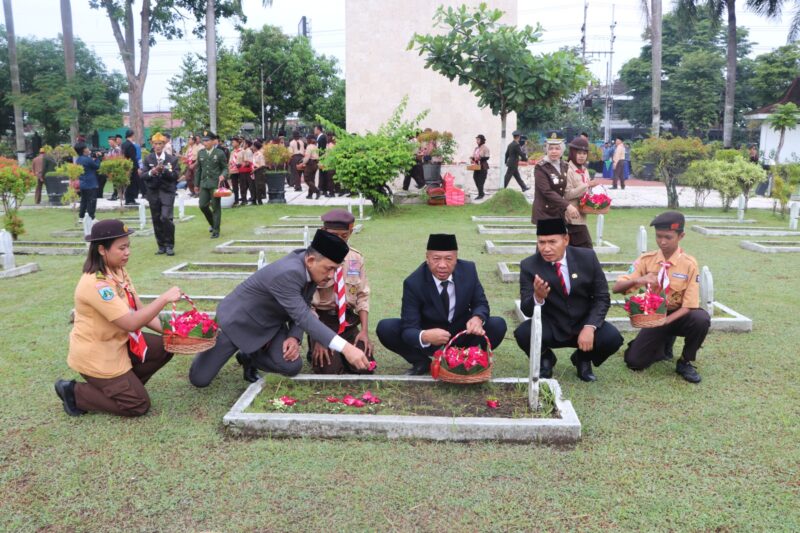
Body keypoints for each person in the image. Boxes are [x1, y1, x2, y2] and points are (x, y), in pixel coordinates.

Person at [189, 229, 370, 387]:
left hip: (270, 324)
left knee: (291, 366)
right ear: (311, 260)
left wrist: (294, 336)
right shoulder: (289, 272)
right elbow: (303, 316)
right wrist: (346, 348)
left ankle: (248, 356)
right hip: (238, 323)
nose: (331, 276)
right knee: (200, 379)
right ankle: (234, 348)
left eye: (335, 270)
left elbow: (304, 304)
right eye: (329, 269)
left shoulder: (313, 268)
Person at [53, 220, 182, 417]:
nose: (127, 252)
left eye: (128, 246)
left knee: (165, 346)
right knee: (138, 405)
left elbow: (140, 312)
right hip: (99, 355)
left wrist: (175, 334)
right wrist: (163, 299)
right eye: (121, 248)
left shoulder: (117, 270)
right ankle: (74, 392)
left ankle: (124, 387)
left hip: (118, 343)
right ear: (102, 249)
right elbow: (131, 323)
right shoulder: (96, 284)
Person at [376, 234, 508, 375]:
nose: (442, 265)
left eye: (448, 259)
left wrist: (477, 318)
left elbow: (480, 303)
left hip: (463, 333)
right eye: (436, 259)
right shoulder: (413, 283)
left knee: (497, 325)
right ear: (427, 258)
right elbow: (409, 327)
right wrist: (425, 336)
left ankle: (471, 360)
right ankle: (422, 362)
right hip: (431, 334)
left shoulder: (469, 270)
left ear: (456, 258)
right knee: (386, 328)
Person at [513, 218, 623, 382]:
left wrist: (590, 327)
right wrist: (538, 297)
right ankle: (545, 359)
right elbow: (527, 309)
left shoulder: (587, 257)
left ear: (566, 240)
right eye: (541, 242)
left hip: (583, 321)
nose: (546, 248)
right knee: (523, 333)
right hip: (552, 324)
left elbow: (602, 297)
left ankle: (583, 358)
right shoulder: (529, 265)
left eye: (552, 242)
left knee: (612, 338)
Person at [613, 211, 710, 383]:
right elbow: (616, 288)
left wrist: (665, 321)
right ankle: (659, 344)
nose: (662, 242)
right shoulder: (646, 259)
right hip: (654, 316)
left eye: (668, 237)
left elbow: (690, 305)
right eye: (658, 236)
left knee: (701, 318)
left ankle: (685, 362)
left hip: (679, 315)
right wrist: (639, 279)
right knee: (634, 362)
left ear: (681, 236)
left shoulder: (689, 264)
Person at [309, 209, 375, 374]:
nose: (338, 240)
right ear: (323, 231)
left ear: (350, 233)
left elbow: (362, 295)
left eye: (344, 236)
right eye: (333, 235)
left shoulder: (355, 258)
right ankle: (314, 348)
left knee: (365, 368)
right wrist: (319, 337)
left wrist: (364, 332)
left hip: (348, 323)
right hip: (323, 323)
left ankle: (344, 353)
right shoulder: (314, 259)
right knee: (331, 371)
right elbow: (307, 305)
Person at [140, 132, 180, 256]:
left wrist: (165, 171)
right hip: (153, 192)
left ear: (164, 144)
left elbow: (175, 176)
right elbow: (143, 175)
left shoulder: (172, 159)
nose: (157, 146)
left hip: (167, 192)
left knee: (166, 217)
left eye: (160, 144)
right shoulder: (148, 159)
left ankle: (169, 245)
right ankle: (161, 246)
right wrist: (152, 172)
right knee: (156, 219)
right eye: (155, 144)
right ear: (152, 144)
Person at [563, 136, 602, 248]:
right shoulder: (568, 170)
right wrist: (587, 185)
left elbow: (586, 191)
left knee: (573, 251)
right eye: (579, 153)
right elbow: (567, 194)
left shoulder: (585, 170)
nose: (582, 156)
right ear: (572, 153)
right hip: (571, 219)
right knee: (587, 249)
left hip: (582, 216)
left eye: (584, 153)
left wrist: (596, 199)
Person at [532, 132, 579, 225]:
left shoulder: (565, 165)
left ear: (562, 150)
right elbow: (546, 191)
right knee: (550, 235)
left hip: (559, 212)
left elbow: (568, 187)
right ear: (547, 150)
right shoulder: (540, 167)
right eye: (551, 148)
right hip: (545, 213)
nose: (554, 151)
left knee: (562, 235)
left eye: (557, 148)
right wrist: (567, 206)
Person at [196, 131, 228, 239]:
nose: (205, 143)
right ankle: (213, 224)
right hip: (204, 183)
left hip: (215, 184)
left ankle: (216, 230)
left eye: (207, 140)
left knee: (215, 207)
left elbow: (225, 168)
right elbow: (198, 170)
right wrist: (196, 184)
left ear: (213, 141)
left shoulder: (219, 153)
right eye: (204, 141)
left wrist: (223, 175)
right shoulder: (201, 153)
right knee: (202, 205)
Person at [75, 142, 100, 221]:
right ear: (84, 150)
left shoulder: (78, 159)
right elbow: (97, 166)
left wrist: (93, 158)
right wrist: (98, 158)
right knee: (92, 201)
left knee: (84, 201)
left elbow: (89, 165)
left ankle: (81, 217)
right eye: (86, 148)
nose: (88, 149)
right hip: (90, 183)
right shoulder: (87, 159)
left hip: (83, 183)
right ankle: (91, 217)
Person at [121, 129, 141, 205]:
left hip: (125, 166)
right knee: (133, 183)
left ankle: (128, 199)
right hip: (131, 167)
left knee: (128, 183)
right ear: (132, 135)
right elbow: (133, 158)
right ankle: (131, 200)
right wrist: (138, 168)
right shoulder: (130, 145)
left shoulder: (123, 144)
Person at [471, 134, 490, 199]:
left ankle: (480, 194)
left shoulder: (485, 148)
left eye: (478, 139)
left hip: (483, 166)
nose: (477, 141)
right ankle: (481, 193)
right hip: (476, 166)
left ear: (482, 140)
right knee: (475, 178)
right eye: (476, 139)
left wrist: (480, 158)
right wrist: (472, 159)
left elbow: (487, 157)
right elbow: (474, 157)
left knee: (481, 181)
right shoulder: (476, 148)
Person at [303, 135, 321, 200]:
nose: (306, 140)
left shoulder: (309, 147)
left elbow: (307, 157)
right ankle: (310, 194)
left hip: (310, 163)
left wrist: (303, 163)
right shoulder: (316, 147)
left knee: (307, 179)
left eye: (307, 139)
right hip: (315, 163)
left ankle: (317, 191)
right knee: (312, 179)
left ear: (309, 140)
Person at [227, 136, 244, 206]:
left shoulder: (242, 151)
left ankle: (244, 200)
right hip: (233, 171)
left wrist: (240, 165)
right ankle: (236, 200)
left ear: (238, 143)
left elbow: (245, 161)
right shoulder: (232, 152)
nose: (232, 143)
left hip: (241, 171)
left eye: (233, 142)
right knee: (234, 186)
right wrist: (229, 169)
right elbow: (230, 162)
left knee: (243, 185)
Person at [251, 140, 266, 205]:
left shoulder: (260, 154)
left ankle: (259, 201)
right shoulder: (254, 154)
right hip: (253, 171)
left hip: (259, 171)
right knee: (253, 186)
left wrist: (255, 170)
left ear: (256, 147)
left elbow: (262, 165)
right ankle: (254, 200)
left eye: (253, 146)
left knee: (258, 186)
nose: (252, 147)